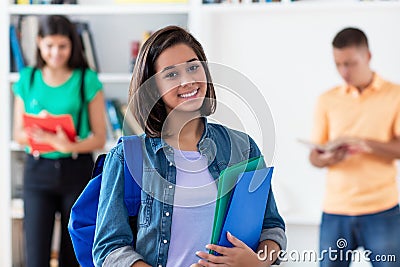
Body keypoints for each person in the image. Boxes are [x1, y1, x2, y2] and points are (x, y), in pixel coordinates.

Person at [93, 25, 286, 267]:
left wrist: (258, 262)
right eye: (171, 74)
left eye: (193, 67)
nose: (188, 80)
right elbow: (109, 248)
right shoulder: (126, 157)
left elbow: (272, 228)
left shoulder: (243, 147)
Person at [12, 15, 106, 267]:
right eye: (50, 45)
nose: (56, 53)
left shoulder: (87, 79)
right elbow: (18, 133)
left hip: (76, 171)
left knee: (72, 253)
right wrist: (41, 133)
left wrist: (67, 145)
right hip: (37, 172)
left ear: (73, 45)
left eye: (62, 46)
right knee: (36, 254)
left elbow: (100, 137)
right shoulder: (28, 78)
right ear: (39, 43)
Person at [309, 27, 400, 267]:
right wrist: (327, 158)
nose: (344, 71)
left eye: (350, 63)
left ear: (368, 57)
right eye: (338, 64)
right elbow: (314, 157)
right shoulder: (327, 99)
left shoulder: (396, 95)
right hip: (335, 210)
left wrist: (366, 144)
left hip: (382, 208)